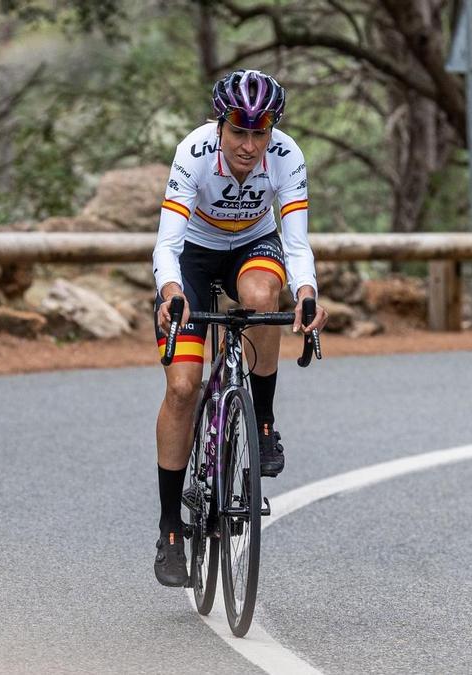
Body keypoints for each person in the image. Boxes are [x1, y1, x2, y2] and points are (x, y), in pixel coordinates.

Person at [150, 69, 329, 587]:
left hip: (254, 246)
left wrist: (307, 291)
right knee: (183, 387)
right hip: (194, 257)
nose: (250, 145)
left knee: (260, 296)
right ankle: (170, 530)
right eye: (239, 131)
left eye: (260, 132)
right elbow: (167, 243)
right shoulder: (194, 153)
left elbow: (295, 244)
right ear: (220, 126)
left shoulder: (287, 156)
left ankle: (264, 420)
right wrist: (171, 292)